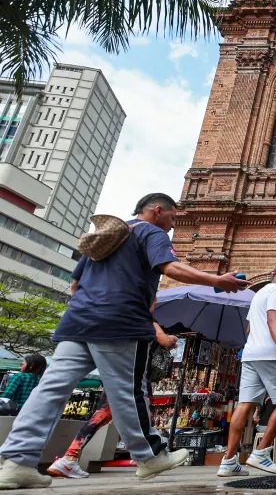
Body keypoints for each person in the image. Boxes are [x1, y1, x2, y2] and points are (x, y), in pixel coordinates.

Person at [0, 193, 247, 490]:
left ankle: (17, 463)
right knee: (130, 389)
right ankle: (150, 455)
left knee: (50, 389)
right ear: (157, 211)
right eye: (172, 218)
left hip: (78, 320)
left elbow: (76, 284)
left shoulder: (107, 235)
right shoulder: (149, 231)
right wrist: (218, 281)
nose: (172, 225)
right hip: (119, 321)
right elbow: (170, 268)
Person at [46, 321, 177, 479]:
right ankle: (70, 457)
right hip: (128, 379)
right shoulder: (144, 318)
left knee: (111, 416)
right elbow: (163, 340)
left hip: (120, 375)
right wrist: (170, 339)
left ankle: (145, 457)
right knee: (108, 415)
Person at [218, 262, 276, 477]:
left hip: (251, 354)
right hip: (271, 354)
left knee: (245, 404)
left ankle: (229, 461)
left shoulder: (258, 294)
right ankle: (261, 453)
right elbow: (272, 319)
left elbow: (250, 329)